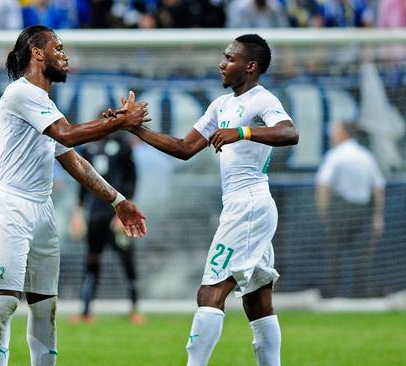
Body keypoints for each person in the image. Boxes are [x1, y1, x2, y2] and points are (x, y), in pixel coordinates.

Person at [126, 34, 299, 366]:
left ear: (250, 66)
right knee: (257, 300)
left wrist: (243, 132)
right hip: (243, 206)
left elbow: (290, 133)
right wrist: (134, 129)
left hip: (249, 204)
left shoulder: (262, 101)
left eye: (229, 58)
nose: (222, 63)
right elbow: (184, 148)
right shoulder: (221, 105)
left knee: (210, 293)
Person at [0, 25, 149, 366]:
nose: (65, 55)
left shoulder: (43, 102)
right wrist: (119, 123)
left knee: (46, 307)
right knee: (6, 301)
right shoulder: (20, 93)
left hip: (42, 209)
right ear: (37, 53)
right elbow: (68, 135)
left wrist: (118, 201)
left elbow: (71, 158)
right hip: (11, 205)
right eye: (58, 48)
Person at [69, 132, 144, 324]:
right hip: (95, 216)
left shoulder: (122, 146)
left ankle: (135, 310)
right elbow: (82, 181)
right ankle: (85, 312)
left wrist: (126, 209)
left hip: (117, 215)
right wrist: (78, 211)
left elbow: (131, 178)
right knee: (92, 260)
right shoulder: (88, 148)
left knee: (126, 259)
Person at [315, 120, 385, 298]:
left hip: (340, 211)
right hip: (362, 211)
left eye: (334, 131)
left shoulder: (335, 155)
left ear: (343, 133)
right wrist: (378, 216)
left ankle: (331, 293)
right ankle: (360, 293)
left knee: (333, 255)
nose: (331, 134)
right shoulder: (366, 156)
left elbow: (323, 185)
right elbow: (378, 187)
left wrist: (323, 211)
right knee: (362, 256)